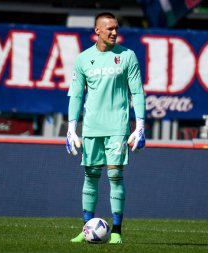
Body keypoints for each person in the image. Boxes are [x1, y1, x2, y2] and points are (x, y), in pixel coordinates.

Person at [66, 12, 146, 244]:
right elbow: (76, 95)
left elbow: (137, 93)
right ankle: (86, 228)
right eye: (109, 28)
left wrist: (139, 126)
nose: (114, 32)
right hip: (91, 127)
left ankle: (117, 231)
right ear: (97, 31)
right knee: (90, 176)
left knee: (114, 176)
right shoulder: (83, 59)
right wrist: (71, 129)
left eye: (116, 28)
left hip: (117, 127)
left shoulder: (127, 56)